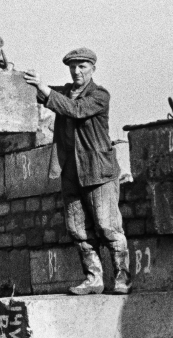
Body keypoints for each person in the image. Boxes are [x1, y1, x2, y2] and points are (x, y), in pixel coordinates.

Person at [24, 47, 129, 295]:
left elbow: (76, 109)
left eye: (82, 66)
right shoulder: (65, 93)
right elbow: (39, 93)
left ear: (93, 68)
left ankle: (122, 278)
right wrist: (12, 72)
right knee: (78, 230)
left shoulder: (99, 95)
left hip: (98, 171)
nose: (76, 71)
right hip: (71, 171)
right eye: (73, 67)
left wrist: (45, 90)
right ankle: (94, 279)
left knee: (108, 228)